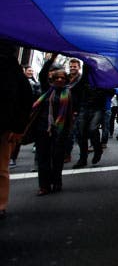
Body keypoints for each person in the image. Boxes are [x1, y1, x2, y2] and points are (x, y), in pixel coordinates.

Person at [0, 42, 33, 217]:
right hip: (7, 125)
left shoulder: (12, 71)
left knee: (1, 168)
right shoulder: (14, 70)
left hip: (5, 126)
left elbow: (25, 99)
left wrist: (18, 127)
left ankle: (0, 204)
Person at [31, 66, 75, 195]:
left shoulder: (69, 93)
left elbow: (69, 115)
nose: (60, 80)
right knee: (43, 158)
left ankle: (56, 182)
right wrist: (52, 58)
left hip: (60, 131)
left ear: (66, 80)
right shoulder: (47, 90)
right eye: (57, 78)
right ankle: (44, 186)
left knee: (57, 158)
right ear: (52, 79)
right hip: (43, 128)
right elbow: (43, 73)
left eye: (62, 78)